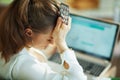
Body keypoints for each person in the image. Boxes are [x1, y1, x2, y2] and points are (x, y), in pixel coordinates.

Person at [0, 0, 87, 80]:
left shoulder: (12, 41)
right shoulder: (24, 66)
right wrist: (61, 43)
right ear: (29, 33)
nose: (53, 43)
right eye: (49, 39)